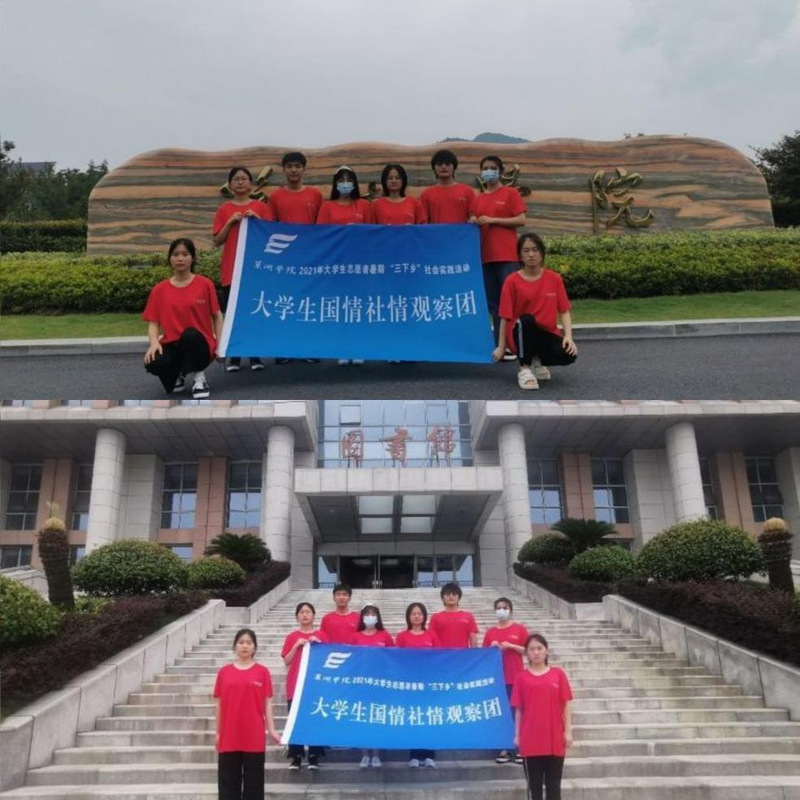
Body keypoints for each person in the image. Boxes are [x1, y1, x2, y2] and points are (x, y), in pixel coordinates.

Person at [492, 233, 578, 391]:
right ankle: (524, 369)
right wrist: (501, 347)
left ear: (542, 253)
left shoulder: (554, 279)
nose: (531, 254)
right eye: (526, 251)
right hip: (519, 333)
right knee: (527, 320)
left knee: (569, 354)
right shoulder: (511, 281)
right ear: (520, 256)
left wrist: (568, 337)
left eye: (535, 250)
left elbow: (564, 311)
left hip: (545, 332)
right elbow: (505, 316)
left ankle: (537, 361)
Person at [143, 238, 222, 399]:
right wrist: (154, 343)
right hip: (173, 344)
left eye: (185, 254)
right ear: (170, 258)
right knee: (153, 362)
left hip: (200, 343)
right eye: (176, 254)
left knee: (190, 335)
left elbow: (217, 316)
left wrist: (221, 346)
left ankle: (199, 378)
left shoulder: (205, 284)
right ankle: (179, 373)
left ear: (193, 258)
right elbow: (153, 322)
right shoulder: (159, 290)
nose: (180, 258)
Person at [212, 166, 274, 373]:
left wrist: (258, 220)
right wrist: (230, 222)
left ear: (251, 183)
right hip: (232, 269)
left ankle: (254, 354)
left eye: (244, 179)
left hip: (255, 269)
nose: (240, 182)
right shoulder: (224, 210)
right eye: (236, 179)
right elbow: (217, 240)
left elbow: (271, 235)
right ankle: (235, 357)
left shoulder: (261, 207)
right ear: (230, 184)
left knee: (253, 311)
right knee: (234, 314)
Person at [267, 151, 324, 365]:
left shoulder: (315, 195)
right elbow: (268, 227)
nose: (293, 170)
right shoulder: (275, 197)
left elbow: (322, 227)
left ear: (304, 169)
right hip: (285, 260)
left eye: (297, 166)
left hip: (311, 258)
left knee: (309, 303)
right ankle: (284, 348)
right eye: (289, 166)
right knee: (286, 303)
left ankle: (310, 347)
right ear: (283, 169)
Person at [470, 155, 527, 357]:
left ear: (500, 171)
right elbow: (474, 221)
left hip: (506, 255)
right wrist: (472, 221)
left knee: (511, 302)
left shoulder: (510, 193)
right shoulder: (478, 199)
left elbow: (521, 219)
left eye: (492, 168)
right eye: (485, 168)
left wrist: (493, 220)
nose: (488, 171)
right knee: (494, 304)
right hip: (485, 257)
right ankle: (500, 345)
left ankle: (516, 344)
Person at [214, 628, 279, 800]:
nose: (245, 646)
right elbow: (219, 704)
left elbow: (267, 703)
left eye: (249, 643)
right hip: (229, 734)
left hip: (254, 735)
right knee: (228, 783)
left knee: (254, 784)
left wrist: (272, 730)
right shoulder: (224, 672)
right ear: (234, 646)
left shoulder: (262, 672)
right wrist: (218, 733)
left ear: (254, 647)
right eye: (241, 642)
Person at [317, 165, 373, 365]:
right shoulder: (327, 207)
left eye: (349, 180)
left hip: (360, 264)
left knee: (358, 306)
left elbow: (374, 232)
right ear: (335, 184)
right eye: (341, 180)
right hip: (337, 264)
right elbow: (321, 235)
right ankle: (342, 348)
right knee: (339, 306)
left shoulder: (364, 205)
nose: (345, 184)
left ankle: (359, 348)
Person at [511, 633, 573, 800]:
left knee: (554, 788)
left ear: (546, 651)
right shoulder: (521, 678)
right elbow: (519, 709)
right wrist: (517, 735)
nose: (536, 652)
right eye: (532, 649)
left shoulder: (558, 674)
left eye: (539, 648)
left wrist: (567, 732)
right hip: (530, 740)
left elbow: (566, 704)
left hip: (554, 739)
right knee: (534, 789)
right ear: (526, 653)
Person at [281, 602, 328, 770]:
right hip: (295, 684)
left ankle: (314, 755)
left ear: (314, 615)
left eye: (308, 612)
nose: (305, 615)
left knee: (315, 718)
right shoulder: (292, 636)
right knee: (295, 720)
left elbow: (328, 659)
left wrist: (319, 644)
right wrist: (296, 645)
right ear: (297, 616)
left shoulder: (321, 635)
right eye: (301, 612)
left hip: (316, 684)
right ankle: (296, 756)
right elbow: (286, 660)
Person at [483, 597, 529, 765]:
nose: (501, 610)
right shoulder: (490, 632)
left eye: (504, 607)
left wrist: (512, 646)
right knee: (502, 714)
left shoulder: (519, 629)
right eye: (498, 608)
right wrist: (492, 647)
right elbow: (483, 656)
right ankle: (505, 749)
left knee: (517, 713)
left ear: (510, 610)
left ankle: (520, 749)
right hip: (497, 680)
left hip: (516, 678)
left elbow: (528, 650)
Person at [396, 602, 440, 768]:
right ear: (408, 617)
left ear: (424, 617)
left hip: (428, 683)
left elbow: (439, 657)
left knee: (428, 717)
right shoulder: (402, 636)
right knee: (413, 718)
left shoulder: (432, 636)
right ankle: (414, 755)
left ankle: (429, 755)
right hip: (410, 684)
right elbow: (396, 659)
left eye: (419, 613)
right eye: (413, 613)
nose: (416, 616)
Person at [350, 604, 393, 768]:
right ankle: (364, 755)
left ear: (378, 617)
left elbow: (394, 656)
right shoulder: (355, 637)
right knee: (362, 720)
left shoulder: (384, 635)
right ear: (362, 617)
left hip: (380, 685)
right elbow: (350, 658)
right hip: (361, 685)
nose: (370, 616)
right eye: (367, 613)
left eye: (373, 613)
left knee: (378, 719)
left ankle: (376, 755)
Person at [419, 149, 475, 224]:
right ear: (434, 168)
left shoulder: (467, 192)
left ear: (454, 167)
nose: (444, 167)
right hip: (436, 232)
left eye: (447, 164)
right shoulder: (426, 194)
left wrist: (473, 219)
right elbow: (423, 222)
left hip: (461, 232)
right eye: (439, 164)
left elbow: (473, 216)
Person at [428, 582, 479, 648]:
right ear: (443, 598)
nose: (451, 596)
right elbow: (431, 639)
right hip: (442, 653)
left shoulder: (468, 616)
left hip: (462, 653)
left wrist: (474, 653)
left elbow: (473, 640)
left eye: (454, 594)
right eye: (448, 594)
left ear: (459, 597)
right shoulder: (435, 617)